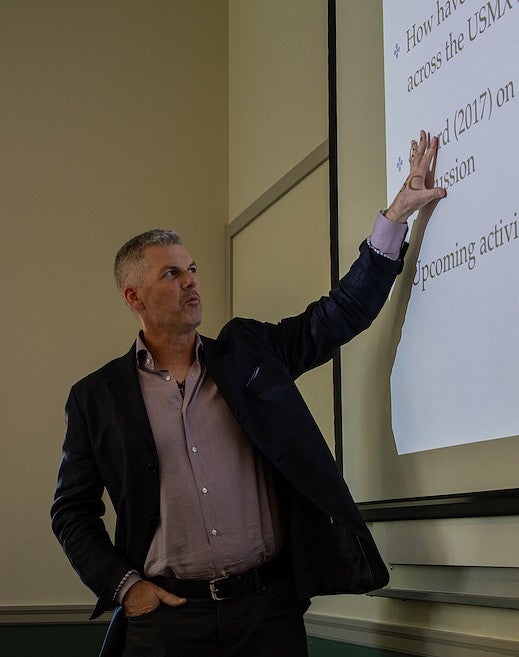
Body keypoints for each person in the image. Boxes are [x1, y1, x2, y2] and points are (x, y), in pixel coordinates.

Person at [51, 131, 446, 657]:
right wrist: (127, 588)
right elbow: (71, 512)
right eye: (171, 273)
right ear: (134, 297)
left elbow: (336, 316)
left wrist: (395, 217)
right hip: (167, 622)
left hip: (266, 614)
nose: (191, 282)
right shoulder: (95, 398)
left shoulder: (247, 353)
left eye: (192, 269)